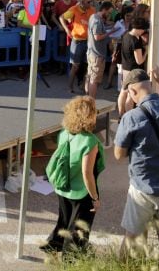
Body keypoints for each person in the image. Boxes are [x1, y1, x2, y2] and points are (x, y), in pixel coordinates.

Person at [114, 68, 159, 254]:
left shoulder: (131, 118)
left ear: (132, 91)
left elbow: (118, 155)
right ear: (150, 86)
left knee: (131, 238)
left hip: (142, 189)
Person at [41, 96, 104, 253]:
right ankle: (72, 259)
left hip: (63, 187)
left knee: (64, 218)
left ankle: (54, 244)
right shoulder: (90, 141)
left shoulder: (64, 134)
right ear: (88, 116)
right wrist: (95, 198)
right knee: (78, 227)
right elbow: (87, 173)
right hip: (82, 191)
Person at [60, 0, 96, 94]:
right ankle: (70, 87)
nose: (90, 4)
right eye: (88, 2)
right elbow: (61, 17)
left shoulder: (92, 10)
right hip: (77, 41)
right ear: (82, 2)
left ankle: (84, 88)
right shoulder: (74, 9)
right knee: (75, 66)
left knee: (87, 65)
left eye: (90, 2)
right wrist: (67, 30)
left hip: (89, 41)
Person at [85, 1, 116, 99]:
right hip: (96, 54)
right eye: (109, 12)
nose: (109, 14)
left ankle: (88, 100)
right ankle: (91, 103)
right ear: (104, 9)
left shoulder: (94, 17)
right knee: (94, 80)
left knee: (90, 77)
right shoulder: (97, 20)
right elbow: (97, 37)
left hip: (92, 53)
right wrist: (111, 32)